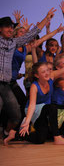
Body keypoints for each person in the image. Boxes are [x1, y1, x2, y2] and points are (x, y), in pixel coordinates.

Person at [0, 8, 56, 143]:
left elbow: (32, 34)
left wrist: (47, 17)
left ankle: (8, 133)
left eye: (11, 26)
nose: (9, 29)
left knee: (16, 114)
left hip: (6, 84)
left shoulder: (13, 43)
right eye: (6, 26)